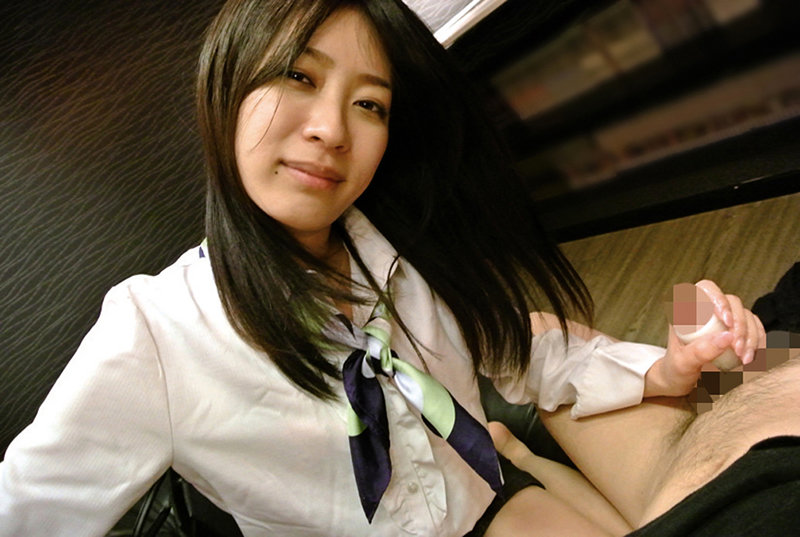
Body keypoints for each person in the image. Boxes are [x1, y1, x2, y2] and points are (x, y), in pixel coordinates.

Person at [0, 1, 765, 536]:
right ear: (225, 87)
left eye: (369, 104)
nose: (331, 129)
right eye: (299, 76)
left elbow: (522, 350)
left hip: (484, 506)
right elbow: (29, 511)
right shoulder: (153, 335)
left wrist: (664, 368)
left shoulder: (407, 242)